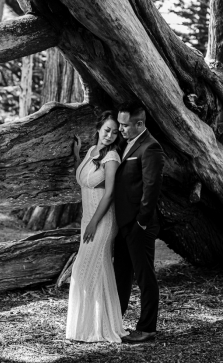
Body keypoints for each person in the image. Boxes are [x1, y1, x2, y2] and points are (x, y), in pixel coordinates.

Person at [66, 111, 128, 342]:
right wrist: (76, 154)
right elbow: (85, 179)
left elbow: (110, 193)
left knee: (83, 270)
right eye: (106, 130)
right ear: (99, 129)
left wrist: (93, 223)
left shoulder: (111, 156)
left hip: (101, 221)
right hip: (87, 220)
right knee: (97, 270)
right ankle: (95, 326)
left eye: (114, 131)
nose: (110, 135)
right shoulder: (92, 152)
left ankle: (95, 327)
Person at [113, 102, 165, 343]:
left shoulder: (151, 147)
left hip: (139, 225)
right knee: (121, 275)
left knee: (145, 277)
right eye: (120, 124)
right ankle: (115, 321)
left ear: (139, 124)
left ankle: (147, 328)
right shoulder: (126, 143)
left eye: (125, 125)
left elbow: (151, 187)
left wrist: (141, 223)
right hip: (123, 223)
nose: (120, 129)